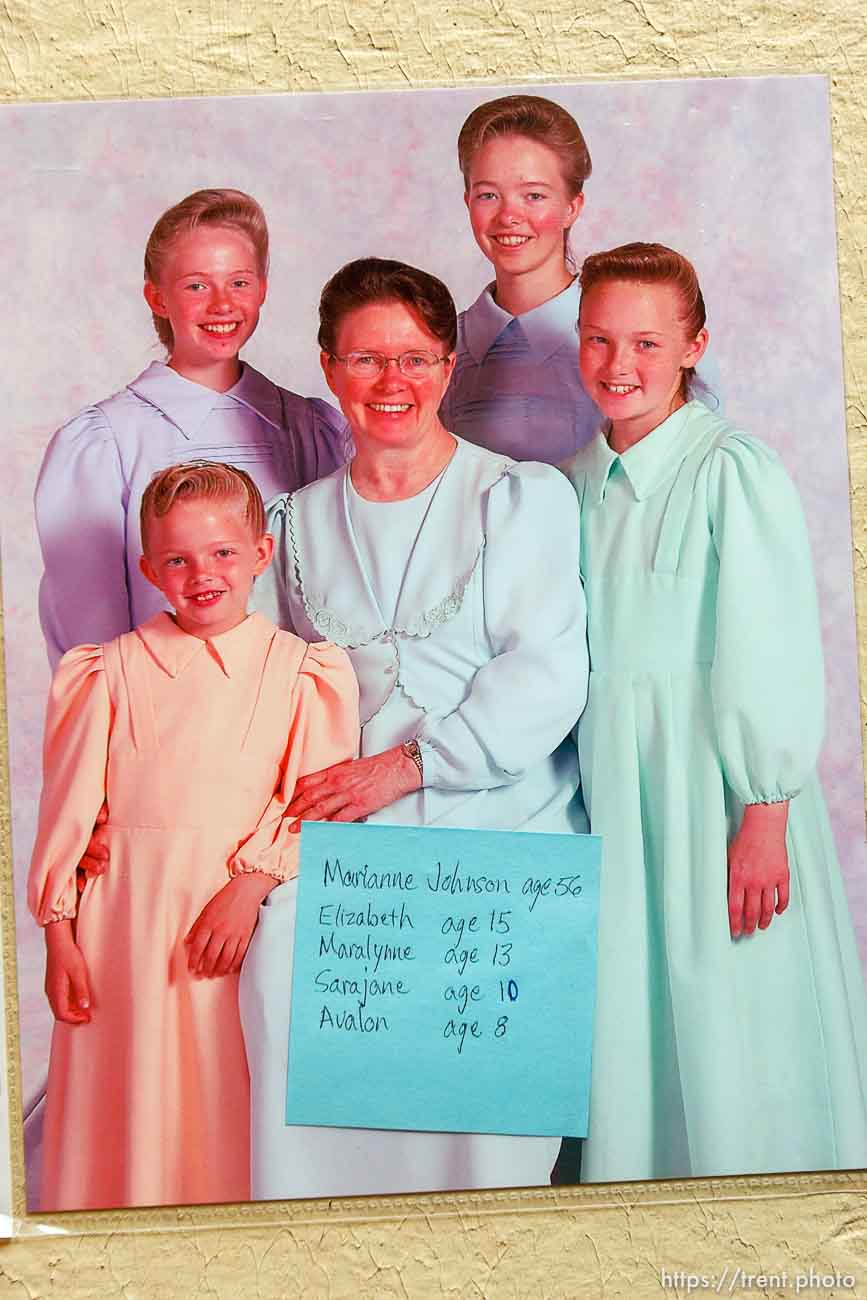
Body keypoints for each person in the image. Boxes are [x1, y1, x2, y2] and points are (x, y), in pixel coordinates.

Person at [241, 256, 589, 1198]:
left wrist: (407, 766)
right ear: (326, 366)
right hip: (352, 839)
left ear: (446, 368)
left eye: (415, 359)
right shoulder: (293, 523)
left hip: (501, 824)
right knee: (275, 965)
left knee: (477, 1075)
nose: (391, 383)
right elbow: (271, 695)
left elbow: (547, 672)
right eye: (365, 359)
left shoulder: (518, 497)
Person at [564, 241, 867, 1182]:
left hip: (711, 782)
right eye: (600, 340)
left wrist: (764, 809)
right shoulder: (569, 481)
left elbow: (768, 641)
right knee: (634, 1002)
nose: (621, 366)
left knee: (728, 996)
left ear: (696, 344)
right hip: (614, 780)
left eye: (648, 343)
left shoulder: (731, 469)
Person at [27, 462, 359, 1211]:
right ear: (147, 568)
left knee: (222, 1106)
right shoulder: (103, 673)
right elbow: (68, 813)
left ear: (262, 553)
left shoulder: (303, 671)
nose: (201, 575)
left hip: (238, 930)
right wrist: (59, 935)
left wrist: (248, 886)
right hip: (123, 931)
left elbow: (315, 804)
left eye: (221, 554)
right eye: (176, 559)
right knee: (124, 1104)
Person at [35, 188, 350, 669]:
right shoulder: (107, 443)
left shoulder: (311, 429)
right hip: (162, 723)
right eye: (197, 286)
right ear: (157, 297)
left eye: (239, 283)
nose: (222, 304)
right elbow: (90, 642)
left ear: (263, 288)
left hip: (289, 717)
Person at [438, 94, 598, 463]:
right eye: (489, 195)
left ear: (572, 207)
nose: (510, 215)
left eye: (534, 195)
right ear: (468, 202)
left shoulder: (635, 342)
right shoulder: (438, 350)